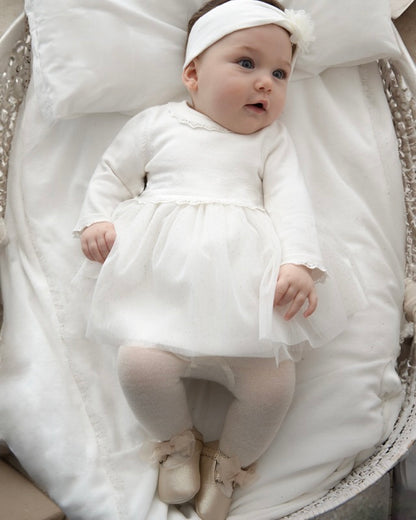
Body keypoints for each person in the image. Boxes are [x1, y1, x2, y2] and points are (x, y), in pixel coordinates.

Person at [74, 1, 347, 518]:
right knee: (138, 365)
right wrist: (96, 221)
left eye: (280, 72)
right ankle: (177, 446)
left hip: (247, 298)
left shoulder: (271, 142)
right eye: (246, 63)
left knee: (272, 385)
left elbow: (292, 204)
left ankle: (230, 465)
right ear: (193, 74)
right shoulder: (156, 125)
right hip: (162, 290)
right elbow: (112, 174)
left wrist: (298, 265)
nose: (266, 82)